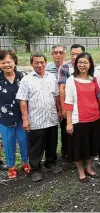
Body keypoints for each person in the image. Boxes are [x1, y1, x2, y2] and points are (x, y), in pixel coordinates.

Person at [16, 52, 63, 182]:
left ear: (46, 63)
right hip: (36, 120)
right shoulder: (27, 80)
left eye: (42, 62)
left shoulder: (52, 77)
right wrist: (25, 119)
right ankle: (35, 169)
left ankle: (50, 162)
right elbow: (23, 100)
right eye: (36, 62)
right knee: (36, 145)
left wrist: (60, 110)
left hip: (51, 118)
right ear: (32, 64)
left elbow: (56, 96)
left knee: (52, 142)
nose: (39, 65)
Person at [64, 52, 100, 182]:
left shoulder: (93, 79)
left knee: (91, 146)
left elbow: (98, 98)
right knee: (78, 148)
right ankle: (81, 171)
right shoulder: (71, 80)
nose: (82, 65)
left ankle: (89, 168)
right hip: (78, 120)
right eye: (80, 62)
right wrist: (69, 122)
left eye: (85, 62)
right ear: (75, 64)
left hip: (94, 118)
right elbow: (68, 103)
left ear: (90, 64)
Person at [0, 50, 30, 179]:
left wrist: (27, 116)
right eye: (3, 62)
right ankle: (11, 166)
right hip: (4, 118)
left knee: (24, 140)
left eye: (9, 62)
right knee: (8, 142)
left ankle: (25, 162)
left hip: (22, 116)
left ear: (15, 62)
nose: (7, 64)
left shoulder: (23, 76)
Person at [58, 44, 85, 160]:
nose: (74, 56)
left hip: (83, 106)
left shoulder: (87, 65)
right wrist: (63, 108)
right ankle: (67, 153)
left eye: (77, 54)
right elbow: (62, 88)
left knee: (81, 130)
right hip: (69, 104)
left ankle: (82, 153)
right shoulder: (65, 67)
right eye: (72, 54)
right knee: (67, 130)